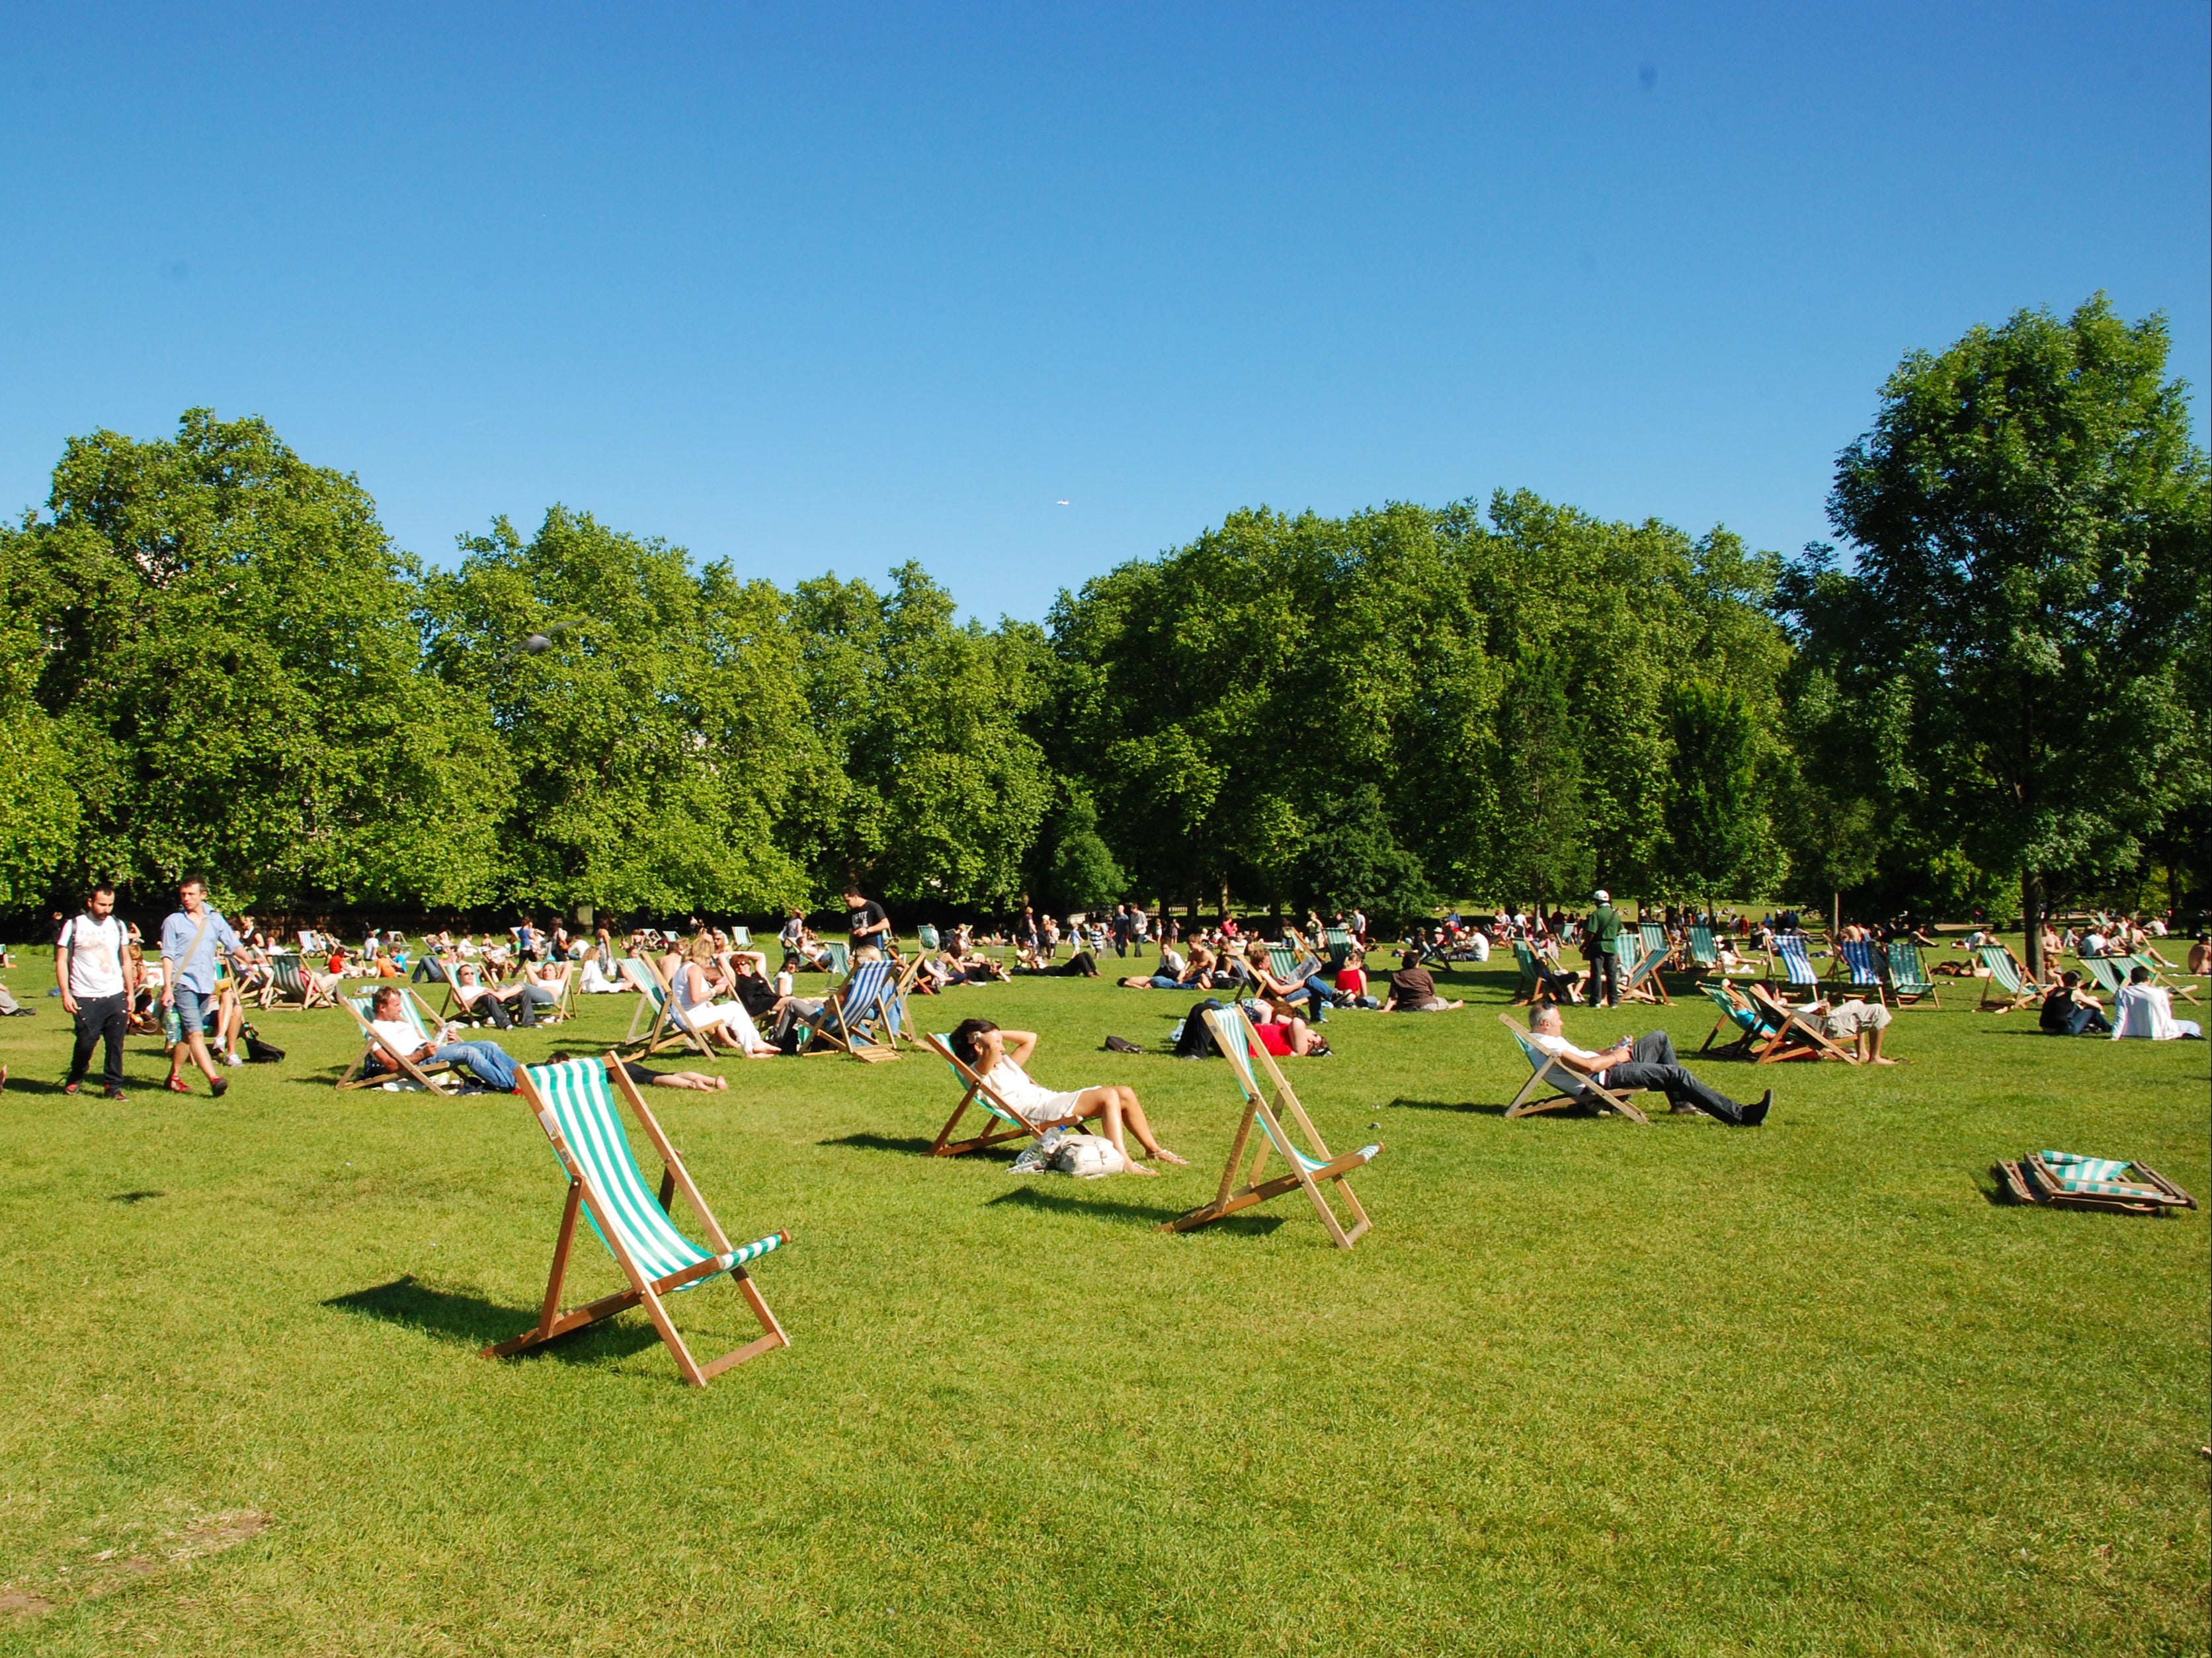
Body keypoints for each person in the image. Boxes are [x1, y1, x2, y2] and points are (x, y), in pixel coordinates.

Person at [948, 1018, 1184, 1173]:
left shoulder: (1007, 1063)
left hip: (1049, 1100)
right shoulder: (978, 1072)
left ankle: (1153, 1150)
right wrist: (985, 1039)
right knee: (1108, 1097)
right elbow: (989, 1052)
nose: (1003, 1047)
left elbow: (1031, 1037)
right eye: (998, 1043)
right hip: (1038, 1112)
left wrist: (995, 1033)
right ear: (980, 1047)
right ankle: (1123, 1160)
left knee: (1124, 1092)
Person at [1526, 1005, 1772, 1125]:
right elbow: (1587, 1067)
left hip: (1607, 1067)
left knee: (1659, 1038)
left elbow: (1587, 1057)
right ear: (1546, 1024)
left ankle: (1682, 1104)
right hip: (1605, 1079)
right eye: (1559, 1020)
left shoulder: (1544, 1039)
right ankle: (1741, 1116)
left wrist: (1613, 1049)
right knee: (1678, 1074)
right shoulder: (1551, 1046)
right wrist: (1617, 1058)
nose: (1563, 1023)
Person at [159, 875, 248, 1097]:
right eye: (183, 895)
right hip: (183, 984)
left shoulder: (215, 920)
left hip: (205, 985)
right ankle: (214, 1078)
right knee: (196, 1033)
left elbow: (232, 943)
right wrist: (168, 987)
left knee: (188, 1036)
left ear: (203, 895)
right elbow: (168, 955)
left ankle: (174, 1077)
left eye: (191, 894)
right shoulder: (174, 921)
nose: (186, 899)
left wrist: (249, 958)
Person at [58, 882, 138, 1099]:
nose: (106, 909)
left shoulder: (118, 926)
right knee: (86, 1042)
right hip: (85, 995)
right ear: (90, 902)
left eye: (110, 905)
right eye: (102, 904)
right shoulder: (74, 925)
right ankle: (77, 1074)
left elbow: (125, 959)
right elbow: (61, 959)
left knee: (115, 1043)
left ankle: (113, 1087)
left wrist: (130, 992)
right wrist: (65, 993)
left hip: (114, 994)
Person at [362, 986, 518, 1091]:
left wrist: (448, 1041)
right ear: (382, 1008)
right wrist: (422, 1054)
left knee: (488, 1045)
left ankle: (522, 1075)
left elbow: (425, 1040)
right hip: (419, 1059)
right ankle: (511, 1086)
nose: (401, 1009)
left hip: (430, 1050)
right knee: (470, 1052)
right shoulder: (375, 1031)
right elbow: (391, 1065)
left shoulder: (399, 1022)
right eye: (396, 1005)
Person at [2111, 966, 2202, 1040]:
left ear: (2132, 979)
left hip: (2133, 1031)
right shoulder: (2159, 992)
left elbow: (2120, 1015)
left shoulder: (2123, 992)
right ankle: (2191, 1035)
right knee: (2192, 1025)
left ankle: (2189, 1035)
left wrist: (2115, 1036)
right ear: (2148, 978)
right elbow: (2167, 1014)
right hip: (2159, 1032)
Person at [1821, 997, 1898, 1063]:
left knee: (1857, 1004)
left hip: (1820, 1021)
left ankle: (1862, 1053)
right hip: (1824, 1028)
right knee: (1878, 1009)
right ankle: (1875, 1058)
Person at [1382, 950, 1461, 1012]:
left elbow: (1393, 996)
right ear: (1417, 963)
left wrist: (1386, 1009)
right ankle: (1451, 1006)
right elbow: (1432, 991)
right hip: (1426, 1004)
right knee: (1441, 1001)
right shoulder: (1424, 972)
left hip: (1406, 1006)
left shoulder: (1396, 975)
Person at [1583, 890, 1623, 1009]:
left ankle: (1596, 1001)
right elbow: (1619, 930)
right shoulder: (1615, 914)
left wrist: (1585, 945)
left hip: (1598, 946)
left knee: (1596, 974)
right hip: (1611, 946)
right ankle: (1614, 1001)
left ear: (1599, 901)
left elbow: (1591, 932)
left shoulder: (1597, 914)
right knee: (1611, 974)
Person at [2039, 972, 2111, 1036]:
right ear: (2077, 983)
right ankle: (2110, 1029)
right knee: (2092, 1011)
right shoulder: (2074, 993)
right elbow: (2097, 1006)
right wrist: (2101, 1011)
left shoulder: (2055, 991)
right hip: (2063, 1030)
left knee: (2076, 1007)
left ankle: (2090, 1027)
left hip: (2046, 1028)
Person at [844, 886, 892, 962]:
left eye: (848, 901)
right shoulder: (852, 912)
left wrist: (867, 930)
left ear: (855, 897)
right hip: (860, 950)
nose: (846, 904)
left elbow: (886, 924)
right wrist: (851, 952)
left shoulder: (872, 906)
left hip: (874, 949)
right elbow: (852, 934)